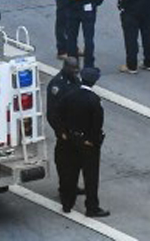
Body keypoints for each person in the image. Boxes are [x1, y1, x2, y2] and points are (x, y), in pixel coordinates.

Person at [57, 67, 109, 218]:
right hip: (87, 143)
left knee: (70, 172)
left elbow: (59, 113)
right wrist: (92, 141)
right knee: (90, 176)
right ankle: (91, 207)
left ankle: (67, 204)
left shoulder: (70, 95)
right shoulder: (94, 100)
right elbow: (97, 124)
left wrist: (64, 133)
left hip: (70, 140)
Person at [46, 57, 83, 198]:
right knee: (64, 161)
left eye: (76, 69)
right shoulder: (57, 84)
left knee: (76, 160)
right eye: (73, 69)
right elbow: (52, 112)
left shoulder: (76, 80)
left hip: (76, 128)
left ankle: (72, 185)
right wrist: (60, 131)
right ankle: (64, 188)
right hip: (65, 130)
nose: (75, 72)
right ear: (65, 67)